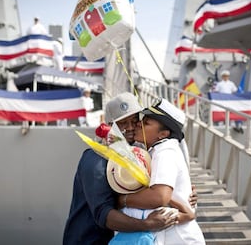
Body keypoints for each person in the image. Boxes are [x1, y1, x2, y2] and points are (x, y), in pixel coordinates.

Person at [63, 92, 179, 245]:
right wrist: (148, 224)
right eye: (123, 123)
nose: (130, 127)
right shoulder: (96, 158)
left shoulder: (137, 153)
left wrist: (181, 194)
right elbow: (103, 214)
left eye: (134, 120)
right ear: (110, 126)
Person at [116, 98, 205, 244]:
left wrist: (122, 200)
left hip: (179, 238)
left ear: (163, 134)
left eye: (146, 123)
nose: (138, 124)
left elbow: (159, 197)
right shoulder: (155, 150)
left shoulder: (165, 152)